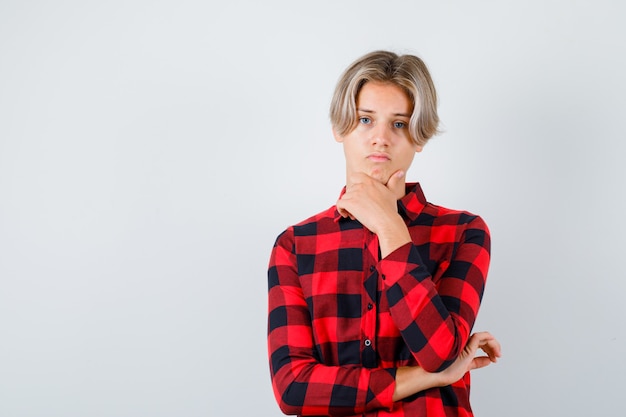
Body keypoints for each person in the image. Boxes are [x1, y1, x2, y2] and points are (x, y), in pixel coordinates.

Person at [267, 50, 501, 416]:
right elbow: (293, 389)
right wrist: (426, 378)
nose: (380, 139)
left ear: (419, 136)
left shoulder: (463, 233)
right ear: (340, 128)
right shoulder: (296, 245)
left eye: (399, 124)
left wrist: (392, 229)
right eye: (364, 120)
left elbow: (439, 354)